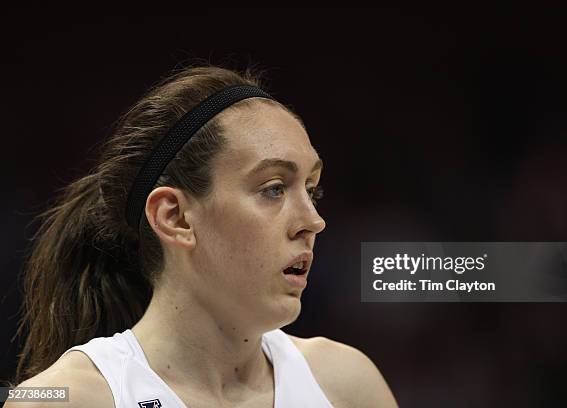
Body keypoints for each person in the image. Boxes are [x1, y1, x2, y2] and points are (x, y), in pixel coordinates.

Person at [9, 65, 398, 407]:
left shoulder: (346, 386)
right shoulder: (68, 399)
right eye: (274, 188)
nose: (313, 221)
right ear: (175, 217)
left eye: (311, 190)